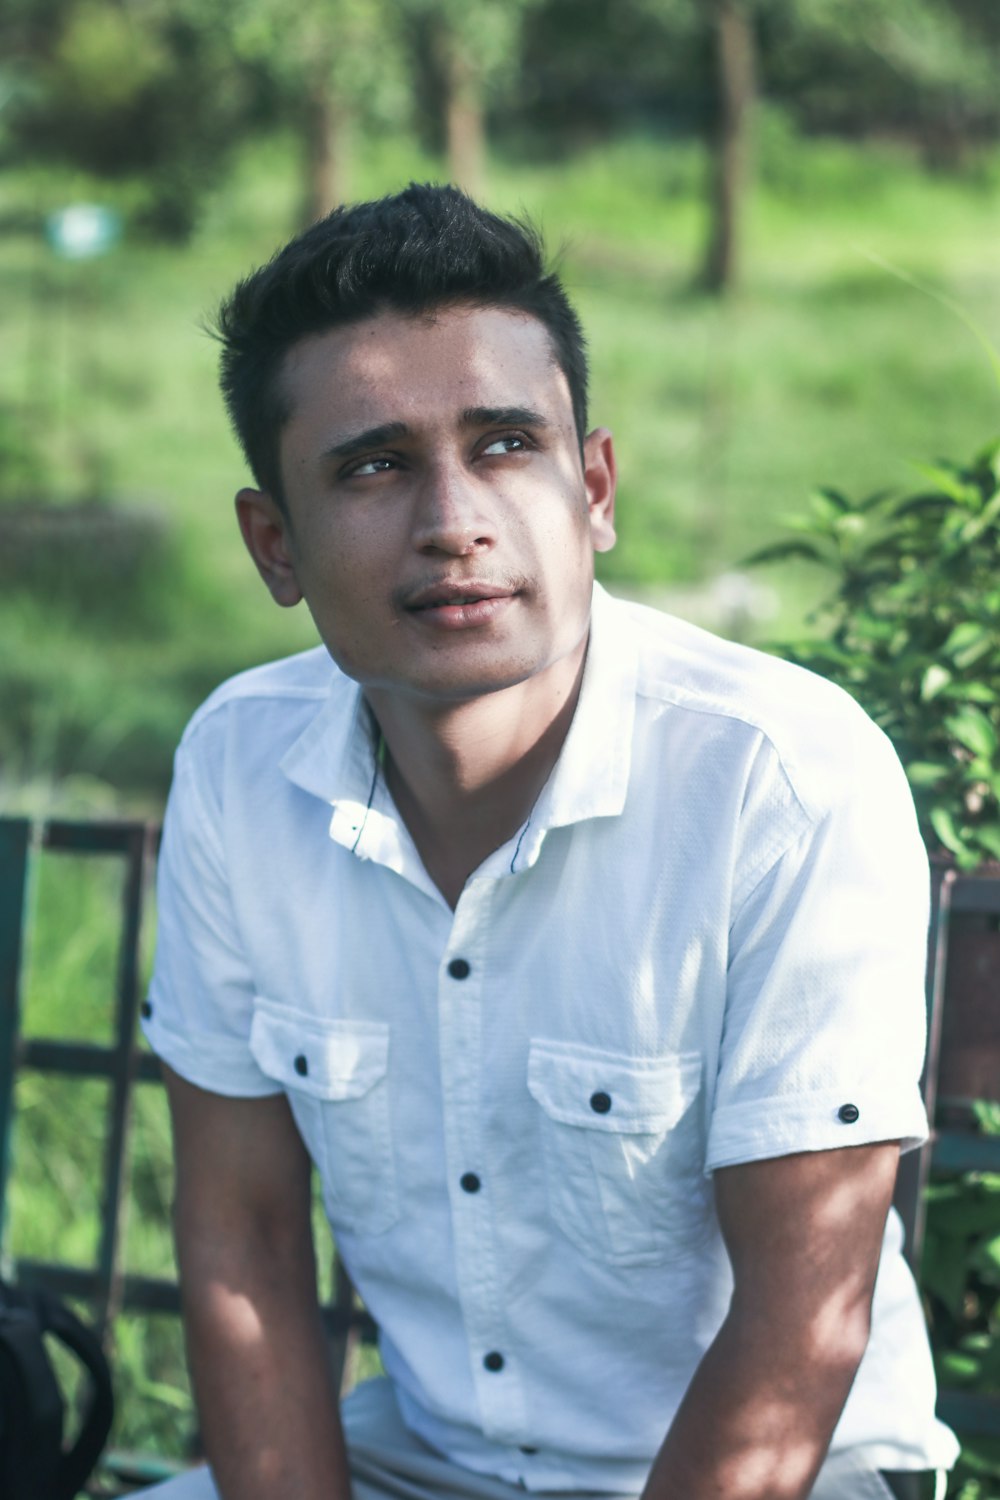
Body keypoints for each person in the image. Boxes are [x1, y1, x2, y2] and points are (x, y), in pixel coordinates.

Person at [140, 184, 958, 1500]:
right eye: (373, 463)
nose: (455, 519)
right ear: (272, 543)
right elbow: (240, 1234)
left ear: (594, 490)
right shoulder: (240, 767)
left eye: (507, 444)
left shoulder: (778, 775)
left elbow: (800, 1320)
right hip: (416, 1465)